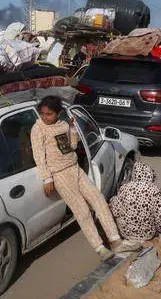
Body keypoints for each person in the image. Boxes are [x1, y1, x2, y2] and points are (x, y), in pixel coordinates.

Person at [30, 96, 141, 260]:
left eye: (49, 114)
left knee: (99, 201)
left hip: (76, 169)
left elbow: (72, 147)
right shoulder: (38, 129)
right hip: (60, 174)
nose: (45, 117)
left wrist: (73, 129)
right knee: (82, 211)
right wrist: (47, 179)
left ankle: (116, 241)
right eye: (43, 114)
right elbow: (39, 155)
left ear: (58, 113)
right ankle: (99, 248)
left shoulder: (63, 124)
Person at [110, 162, 161, 244]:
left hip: (126, 233)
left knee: (114, 200)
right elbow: (160, 217)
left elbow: (115, 211)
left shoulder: (124, 188)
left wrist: (113, 200)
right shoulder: (154, 190)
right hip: (147, 234)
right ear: (149, 174)